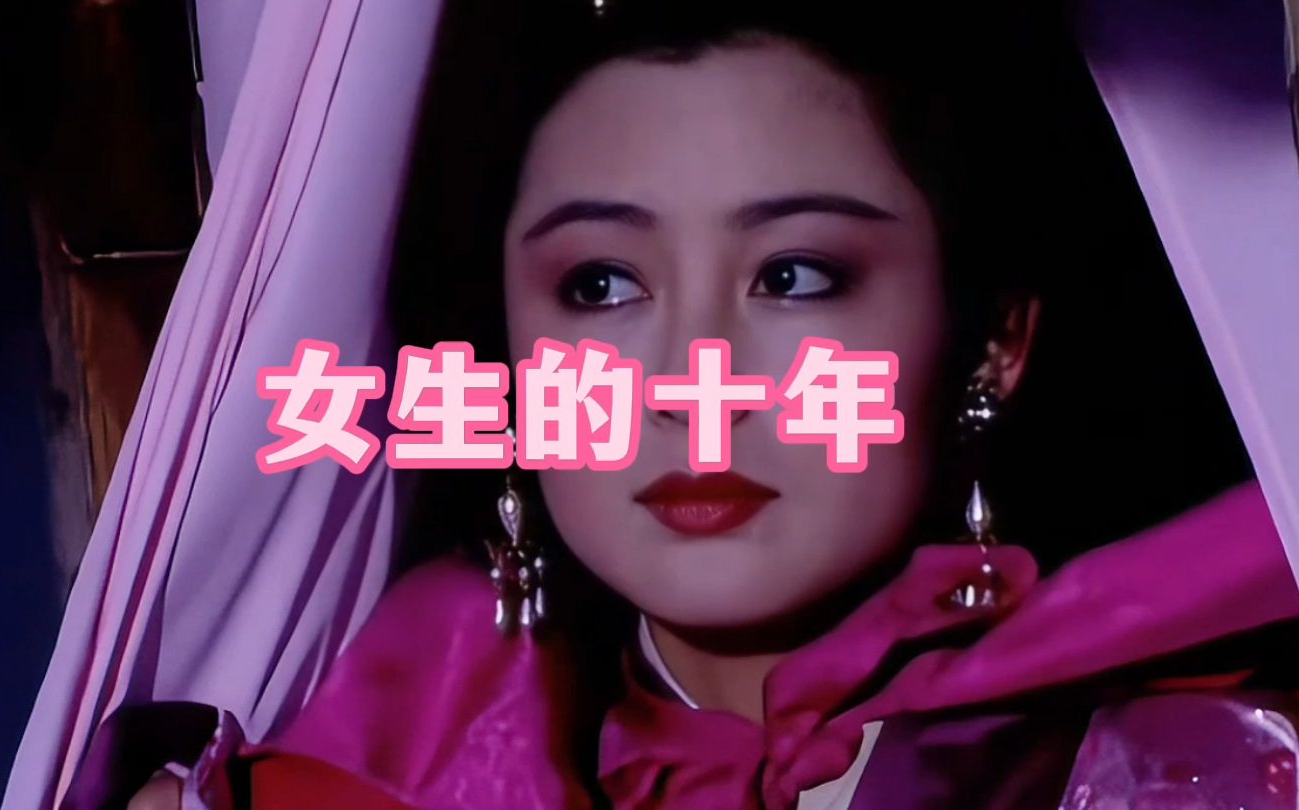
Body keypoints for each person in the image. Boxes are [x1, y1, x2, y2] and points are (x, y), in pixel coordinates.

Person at [84, 3, 1297, 808]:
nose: (693, 384)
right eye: (600, 286)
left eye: (795, 276)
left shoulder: (1192, 769)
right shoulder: (357, 780)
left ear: (993, 341)